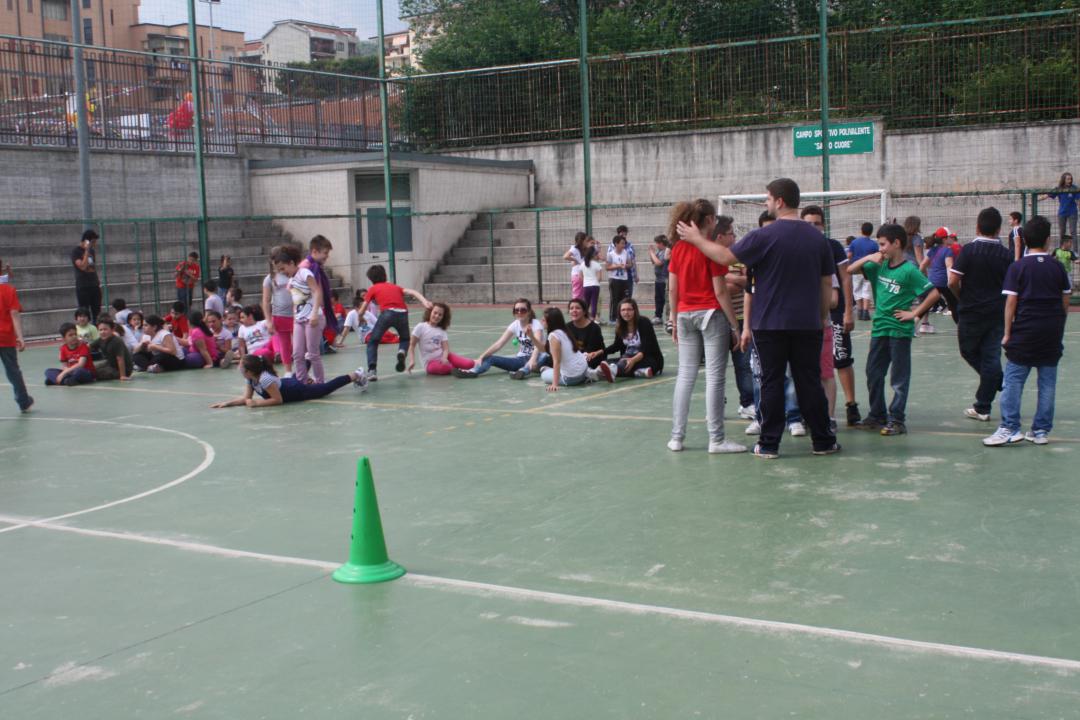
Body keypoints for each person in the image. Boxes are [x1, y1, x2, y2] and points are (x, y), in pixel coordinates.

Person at [678, 178, 839, 459]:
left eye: (767, 198)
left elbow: (725, 257)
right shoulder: (818, 239)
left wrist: (696, 239)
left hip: (769, 324)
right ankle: (823, 441)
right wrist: (821, 316)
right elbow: (826, 284)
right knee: (809, 382)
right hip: (807, 323)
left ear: (779, 201)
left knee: (770, 382)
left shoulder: (763, 236)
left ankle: (768, 444)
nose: (766, 203)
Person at [984, 216, 1070, 446]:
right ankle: (1040, 431)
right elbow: (1065, 299)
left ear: (1024, 240)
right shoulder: (1057, 267)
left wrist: (1007, 332)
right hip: (1051, 332)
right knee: (1047, 383)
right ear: (1048, 240)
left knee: (1013, 380)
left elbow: (1011, 302)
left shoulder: (1018, 267)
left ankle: (1010, 427)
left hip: (1025, 331)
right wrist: (1058, 325)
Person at [848, 224, 940, 435]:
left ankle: (897, 420)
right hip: (879, 329)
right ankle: (876, 415)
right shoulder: (878, 266)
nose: (880, 249)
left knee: (898, 377)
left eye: (883, 244)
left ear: (896, 243)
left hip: (899, 330)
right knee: (873, 373)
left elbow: (934, 294)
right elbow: (850, 270)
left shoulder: (909, 270)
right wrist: (869, 257)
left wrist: (914, 314)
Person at [667, 200, 743, 454]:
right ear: (709, 220)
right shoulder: (712, 249)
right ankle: (716, 439)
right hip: (711, 313)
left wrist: (673, 319)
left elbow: (673, 289)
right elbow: (720, 291)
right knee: (715, 377)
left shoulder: (678, 248)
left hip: (685, 314)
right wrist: (735, 325)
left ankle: (676, 437)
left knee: (685, 375)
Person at [947, 207, 1013, 422]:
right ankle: (987, 398)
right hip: (996, 312)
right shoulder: (1006, 255)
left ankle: (992, 389)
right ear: (999, 229)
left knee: (969, 351)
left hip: (971, 311)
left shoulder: (969, 251)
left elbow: (952, 281)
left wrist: (961, 297)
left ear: (977, 227)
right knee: (991, 356)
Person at [801, 205, 861, 429]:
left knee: (841, 357)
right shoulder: (798, 246)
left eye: (816, 223)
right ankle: (808, 412)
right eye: (808, 223)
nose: (812, 227)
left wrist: (848, 311)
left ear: (823, 226)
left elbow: (845, 278)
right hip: (807, 314)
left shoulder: (832, 246)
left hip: (834, 310)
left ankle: (850, 404)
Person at [358, 264, 432, 381]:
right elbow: (412, 292)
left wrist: (360, 317)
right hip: (402, 313)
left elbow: (363, 308)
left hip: (387, 313)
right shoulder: (395, 287)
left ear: (371, 279)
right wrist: (425, 302)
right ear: (385, 275)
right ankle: (401, 351)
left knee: (373, 341)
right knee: (405, 339)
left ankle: (372, 371)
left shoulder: (373, 288)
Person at [210, 354, 367, 409]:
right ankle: (306, 360)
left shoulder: (264, 379)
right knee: (297, 376)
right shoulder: (251, 379)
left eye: (241, 367)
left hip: (297, 391)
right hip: (287, 383)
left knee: (326, 388)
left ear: (249, 371)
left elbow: (278, 400)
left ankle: (356, 374)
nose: (239, 369)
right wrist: (227, 403)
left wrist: (257, 403)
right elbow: (246, 398)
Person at [715, 216, 755, 419]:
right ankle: (716, 406)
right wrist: (734, 280)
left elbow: (749, 281)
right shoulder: (711, 257)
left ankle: (747, 403)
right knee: (717, 367)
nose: (735, 237)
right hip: (717, 319)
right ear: (720, 236)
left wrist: (728, 279)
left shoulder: (740, 256)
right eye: (731, 233)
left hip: (741, 318)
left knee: (744, 364)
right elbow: (718, 289)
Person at [454, 298, 547, 379]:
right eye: (516, 310)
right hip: (521, 359)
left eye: (523, 310)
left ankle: (523, 371)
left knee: (545, 355)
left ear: (529, 311)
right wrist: (481, 357)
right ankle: (472, 372)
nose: (519, 312)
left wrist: (532, 360)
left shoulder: (536, 324)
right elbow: (499, 344)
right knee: (490, 358)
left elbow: (537, 346)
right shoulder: (515, 324)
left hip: (537, 357)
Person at [539, 307, 602, 391]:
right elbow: (545, 349)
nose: (541, 321)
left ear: (550, 322)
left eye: (543, 320)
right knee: (551, 369)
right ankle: (589, 374)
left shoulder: (553, 336)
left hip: (571, 378)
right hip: (583, 368)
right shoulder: (564, 331)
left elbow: (557, 362)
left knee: (543, 374)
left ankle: (584, 377)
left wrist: (554, 384)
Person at [600, 299, 664, 379]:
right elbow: (617, 345)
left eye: (629, 309)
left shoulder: (644, 322)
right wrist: (601, 352)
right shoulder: (620, 326)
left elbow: (646, 348)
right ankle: (639, 372)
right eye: (623, 310)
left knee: (624, 363)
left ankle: (615, 372)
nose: (626, 312)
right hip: (629, 357)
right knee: (605, 363)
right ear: (619, 312)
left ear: (635, 310)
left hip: (649, 359)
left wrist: (633, 360)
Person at [408, 302, 475, 376]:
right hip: (429, 363)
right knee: (445, 368)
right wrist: (412, 360)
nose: (437, 316)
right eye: (435, 313)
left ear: (443, 317)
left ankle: (456, 368)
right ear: (430, 312)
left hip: (445, 357)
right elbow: (412, 345)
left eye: (440, 315)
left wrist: (444, 358)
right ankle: (457, 370)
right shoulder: (420, 327)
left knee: (470, 364)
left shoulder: (442, 330)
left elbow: (446, 349)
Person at [0, 273, 32, 412]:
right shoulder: (8, 290)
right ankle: (23, 402)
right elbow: (14, 313)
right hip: (5, 336)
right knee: (12, 370)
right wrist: (20, 336)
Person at [262, 247, 294, 376]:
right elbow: (266, 301)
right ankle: (288, 371)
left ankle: (303, 370)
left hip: (296, 314)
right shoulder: (270, 279)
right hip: (280, 315)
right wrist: (268, 320)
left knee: (299, 344)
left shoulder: (292, 273)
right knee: (285, 344)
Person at [919, 228, 959, 327]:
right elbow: (949, 266)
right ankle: (960, 326)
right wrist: (950, 281)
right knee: (954, 305)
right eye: (949, 237)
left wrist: (921, 278)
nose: (950, 239)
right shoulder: (948, 251)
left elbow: (922, 265)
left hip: (932, 281)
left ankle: (918, 326)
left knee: (926, 305)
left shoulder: (932, 250)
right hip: (943, 282)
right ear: (944, 239)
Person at [564, 297, 606, 370]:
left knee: (588, 361)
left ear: (584, 311)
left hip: (591, 357)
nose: (574, 310)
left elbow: (590, 352)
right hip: (574, 358)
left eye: (577, 308)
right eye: (571, 308)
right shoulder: (567, 327)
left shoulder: (594, 328)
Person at [848, 222, 878, 321]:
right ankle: (866, 312)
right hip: (868, 270)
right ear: (871, 231)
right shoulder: (874, 244)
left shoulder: (854, 242)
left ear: (861, 230)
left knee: (857, 290)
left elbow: (849, 255)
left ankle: (859, 311)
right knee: (866, 290)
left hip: (856, 269)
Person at [89, 316, 133, 382]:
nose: (103, 332)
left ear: (112, 330)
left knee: (96, 373)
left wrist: (123, 375)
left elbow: (120, 359)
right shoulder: (100, 339)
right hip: (111, 364)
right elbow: (88, 347)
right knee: (91, 368)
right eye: (100, 330)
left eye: (105, 329)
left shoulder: (117, 341)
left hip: (122, 369)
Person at [71, 229, 101, 319]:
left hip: (94, 285)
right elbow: (83, 267)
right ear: (86, 241)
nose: (94, 244)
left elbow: (92, 267)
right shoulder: (76, 251)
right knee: (84, 312)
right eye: (93, 242)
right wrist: (87, 251)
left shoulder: (92, 251)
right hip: (83, 286)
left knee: (97, 311)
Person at [1045, 172, 1080, 247]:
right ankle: (1061, 249)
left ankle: (1075, 251)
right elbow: (1047, 195)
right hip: (1062, 213)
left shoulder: (1074, 188)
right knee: (1062, 232)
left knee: (1073, 232)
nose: (1070, 181)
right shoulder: (1059, 188)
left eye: (1071, 179)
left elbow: (1078, 201)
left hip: (1072, 212)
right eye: (1068, 179)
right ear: (1064, 180)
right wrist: (1035, 200)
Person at [606, 235, 632, 323]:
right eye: (622, 243)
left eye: (624, 243)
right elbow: (607, 267)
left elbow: (630, 264)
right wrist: (618, 266)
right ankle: (613, 318)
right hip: (614, 279)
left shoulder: (626, 253)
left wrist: (626, 266)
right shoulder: (610, 254)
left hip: (624, 279)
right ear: (616, 244)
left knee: (624, 299)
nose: (623, 245)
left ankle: (622, 317)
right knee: (615, 299)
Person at [649, 235, 670, 325]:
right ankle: (658, 316)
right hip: (658, 279)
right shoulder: (659, 252)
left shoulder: (666, 252)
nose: (656, 245)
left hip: (664, 279)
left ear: (661, 243)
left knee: (665, 299)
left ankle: (668, 317)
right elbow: (653, 261)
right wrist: (651, 254)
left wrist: (652, 253)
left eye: (657, 243)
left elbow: (658, 263)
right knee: (658, 299)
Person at [579, 244, 603, 321]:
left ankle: (585, 318)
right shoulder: (597, 265)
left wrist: (586, 281)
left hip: (586, 286)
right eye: (596, 254)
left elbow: (580, 276)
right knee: (594, 303)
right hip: (595, 286)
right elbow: (599, 278)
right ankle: (592, 319)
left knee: (586, 303)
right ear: (593, 255)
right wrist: (596, 280)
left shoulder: (582, 264)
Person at [614, 225, 638, 299]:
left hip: (628, 274)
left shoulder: (630, 246)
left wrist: (636, 275)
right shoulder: (612, 246)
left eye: (625, 234)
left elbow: (633, 260)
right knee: (617, 297)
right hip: (617, 275)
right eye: (622, 234)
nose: (624, 236)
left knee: (628, 295)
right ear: (618, 234)